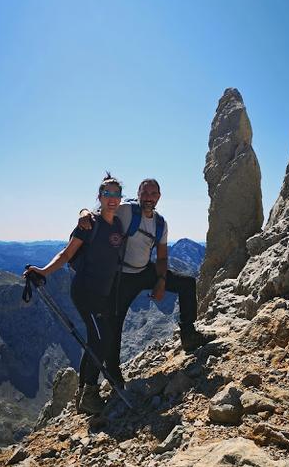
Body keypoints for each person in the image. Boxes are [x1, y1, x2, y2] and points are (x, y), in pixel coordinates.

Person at [79, 178, 212, 388]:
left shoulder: (160, 223)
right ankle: (109, 378)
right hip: (121, 277)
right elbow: (100, 211)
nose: (149, 197)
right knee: (113, 327)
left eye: (153, 193)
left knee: (186, 284)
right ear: (138, 194)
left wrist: (160, 281)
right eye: (145, 193)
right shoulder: (126, 210)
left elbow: (161, 257)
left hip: (144, 271)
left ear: (159, 197)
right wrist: (84, 213)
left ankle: (189, 335)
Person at [24, 173, 124, 415]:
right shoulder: (88, 225)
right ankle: (89, 395)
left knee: (98, 340)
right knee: (101, 341)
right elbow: (67, 254)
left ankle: (83, 391)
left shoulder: (118, 225)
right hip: (85, 291)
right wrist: (44, 271)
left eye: (116, 194)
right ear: (99, 197)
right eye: (107, 194)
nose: (112, 199)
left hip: (104, 292)